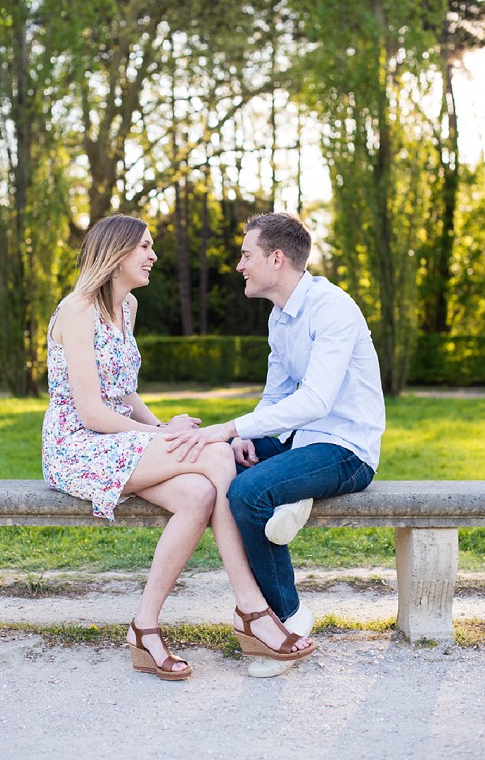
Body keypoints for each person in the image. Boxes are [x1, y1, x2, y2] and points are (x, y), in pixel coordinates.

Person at [42, 213, 314, 681]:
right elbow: (91, 411)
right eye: (145, 247)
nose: (153, 256)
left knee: (200, 494)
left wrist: (161, 425)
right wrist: (170, 435)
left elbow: (125, 394)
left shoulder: (126, 308)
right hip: (78, 445)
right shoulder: (78, 309)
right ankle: (252, 608)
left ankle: (143, 628)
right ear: (117, 252)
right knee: (215, 452)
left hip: (120, 440)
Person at [165, 212, 384, 678]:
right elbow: (278, 394)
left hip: (346, 448)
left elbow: (316, 399)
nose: (240, 265)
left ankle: (284, 617)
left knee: (248, 493)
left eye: (247, 255)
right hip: (299, 442)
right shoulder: (279, 317)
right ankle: (295, 499)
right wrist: (244, 437)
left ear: (277, 258)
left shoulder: (332, 308)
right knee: (219, 464)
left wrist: (230, 425)